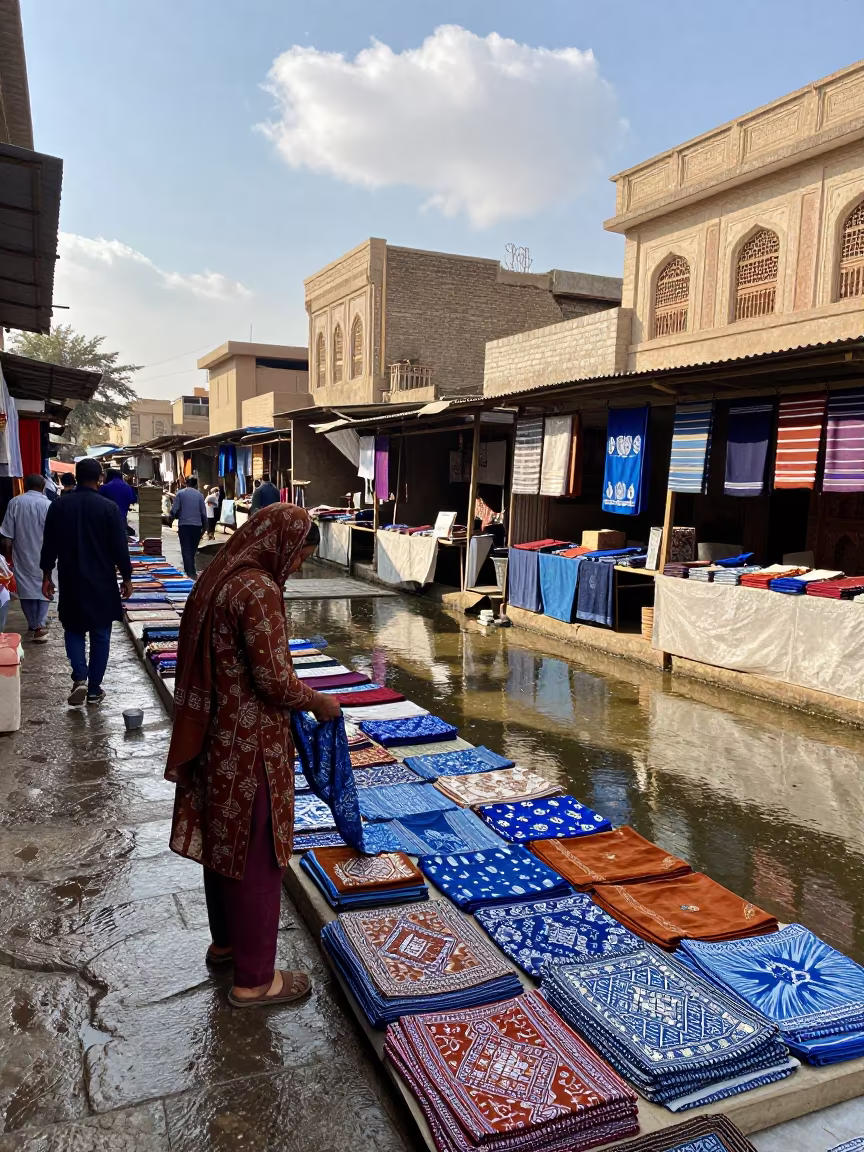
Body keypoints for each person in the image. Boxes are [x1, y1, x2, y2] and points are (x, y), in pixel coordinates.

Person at [165, 507, 337, 1008]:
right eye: (301, 557)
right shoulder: (258, 589)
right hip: (251, 745)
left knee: (224, 844)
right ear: (283, 545)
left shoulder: (219, 577)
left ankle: (226, 944)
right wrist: (317, 701)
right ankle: (256, 978)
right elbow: (275, 681)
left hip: (215, 738)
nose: (299, 568)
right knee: (259, 855)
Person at [39, 457, 133, 705]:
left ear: (76, 477)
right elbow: (119, 547)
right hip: (102, 580)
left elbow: (49, 544)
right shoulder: (108, 508)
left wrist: (47, 574)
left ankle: (79, 676)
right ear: (99, 478)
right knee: (101, 633)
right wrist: (126, 577)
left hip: (71, 577)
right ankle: (94, 689)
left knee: (73, 628)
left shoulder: (59, 506)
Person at [0, 474, 52, 642]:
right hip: (46, 553)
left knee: (26, 590)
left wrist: (8, 554)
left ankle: (34, 624)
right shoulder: (49, 505)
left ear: (26, 485)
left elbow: (7, 534)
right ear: (43, 486)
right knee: (45, 586)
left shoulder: (15, 502)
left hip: (22, 552)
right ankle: (39, 625)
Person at [170, 476, 208, 579]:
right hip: (196, 526)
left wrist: (170, 520)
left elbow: (174, 509)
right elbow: (204, 513)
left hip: (184, 526)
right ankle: (191, 572)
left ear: (186, 483)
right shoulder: (200, 496)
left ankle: (190, 573)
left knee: (186, 550)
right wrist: (205, 528)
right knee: (192, 550)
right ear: (196, 484)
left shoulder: (180, 493)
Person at [100, 468, 137, 537]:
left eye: (104, 476)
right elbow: (133, 500)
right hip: (122, 519)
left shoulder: (105, 487)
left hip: (108, 521)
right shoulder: (128, 487)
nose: (103, 479)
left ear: (109, 476)